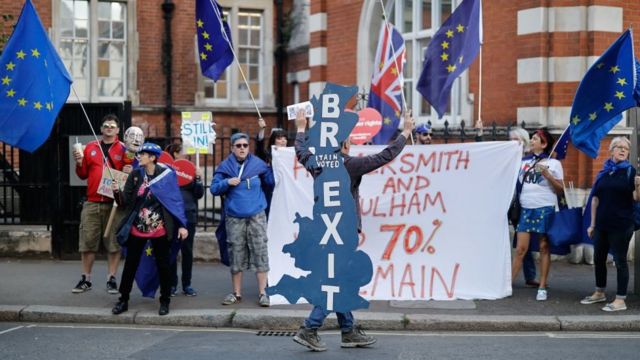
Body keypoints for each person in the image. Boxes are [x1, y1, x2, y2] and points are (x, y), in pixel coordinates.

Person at [292, 109, 415, 351]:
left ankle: (348, 330)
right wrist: (406, 133)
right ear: (345, 144)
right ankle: (310, 327)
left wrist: (300, 128)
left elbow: (300, 152)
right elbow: (383, 156)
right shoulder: (349, 165)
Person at [111, 143, 188, 316]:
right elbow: (125, 202)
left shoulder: (166, 175)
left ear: (152, 157)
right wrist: (117, 192)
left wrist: (182, 225)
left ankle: (165, 300)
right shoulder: (136, 175)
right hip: (137, 228)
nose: (139, 156)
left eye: (143, 154)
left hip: (160, 229)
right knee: (130, 265)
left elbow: (175, 201)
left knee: (163, 265)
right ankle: (123, 300)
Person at [210, 133, 275, 307]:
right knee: (236, 253)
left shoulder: (258, 165)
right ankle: (236, 293)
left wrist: (271, 168)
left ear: (249, 147)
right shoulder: (225, 166)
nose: (242, 148)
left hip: (256, 215)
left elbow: (271, 183)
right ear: (232, 147)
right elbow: (214, 189)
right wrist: (227, 182)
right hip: (234, 217)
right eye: (238, 145)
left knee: (260, 251)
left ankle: (263, 293)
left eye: (245, 145)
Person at [72, 114, 131, 294]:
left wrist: (129, 169)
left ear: (118, 130)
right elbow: (82, 175)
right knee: (88, 242)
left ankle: (111, 278)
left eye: (112, 126)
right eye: (106, 125)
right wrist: (79, 162)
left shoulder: (125, 149)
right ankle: (86, 279)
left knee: (114, 243)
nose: (109, 128)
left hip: (115, 204)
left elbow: (130, 177)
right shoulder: (91, 147)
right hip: (92, 202)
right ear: (101, 128)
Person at [580, 137, 640, 312]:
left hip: (622, 224)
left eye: (626, 148)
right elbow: (595, 199)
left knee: (620, 260)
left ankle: (620, 300)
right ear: (611, 150)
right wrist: (592, 224)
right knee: (599, 259)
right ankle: (600, 292)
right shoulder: (604, 172)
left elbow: (637, 199)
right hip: (602, 224)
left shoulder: (630, 172)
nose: (622, 150)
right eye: (619, 147)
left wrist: (637, 186)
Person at [511, 128, 563, 301]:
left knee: (543, 247)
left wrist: (547, 175)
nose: (531, 141)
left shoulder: (554, 163)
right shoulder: (523, 161)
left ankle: (542, 286)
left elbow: (561, 190)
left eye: (535, 139)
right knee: (521, 249)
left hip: (545, 208)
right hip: (526, 208)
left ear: (544, 144)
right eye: (531, 138)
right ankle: (508, 284)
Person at [165, 143, 205, 297]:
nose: (186, 155)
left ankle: (187, 284)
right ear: (175, 154)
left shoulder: (191, 170)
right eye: (183, 152)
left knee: (187, 251)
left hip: (188, 215)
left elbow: (199, 194)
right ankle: (172, 284)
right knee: (172, 251)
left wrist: (199, 179)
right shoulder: (166, 171)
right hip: (171, 215)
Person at [508, 127, 539, 288]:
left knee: (523, 242)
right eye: (511, 139)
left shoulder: (528, 159)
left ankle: (530, 275)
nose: (513, 142)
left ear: (523, 141)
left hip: (519, 205)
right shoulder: (505, 156)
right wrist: (479, 135)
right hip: (506, 202)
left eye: (516, 139)